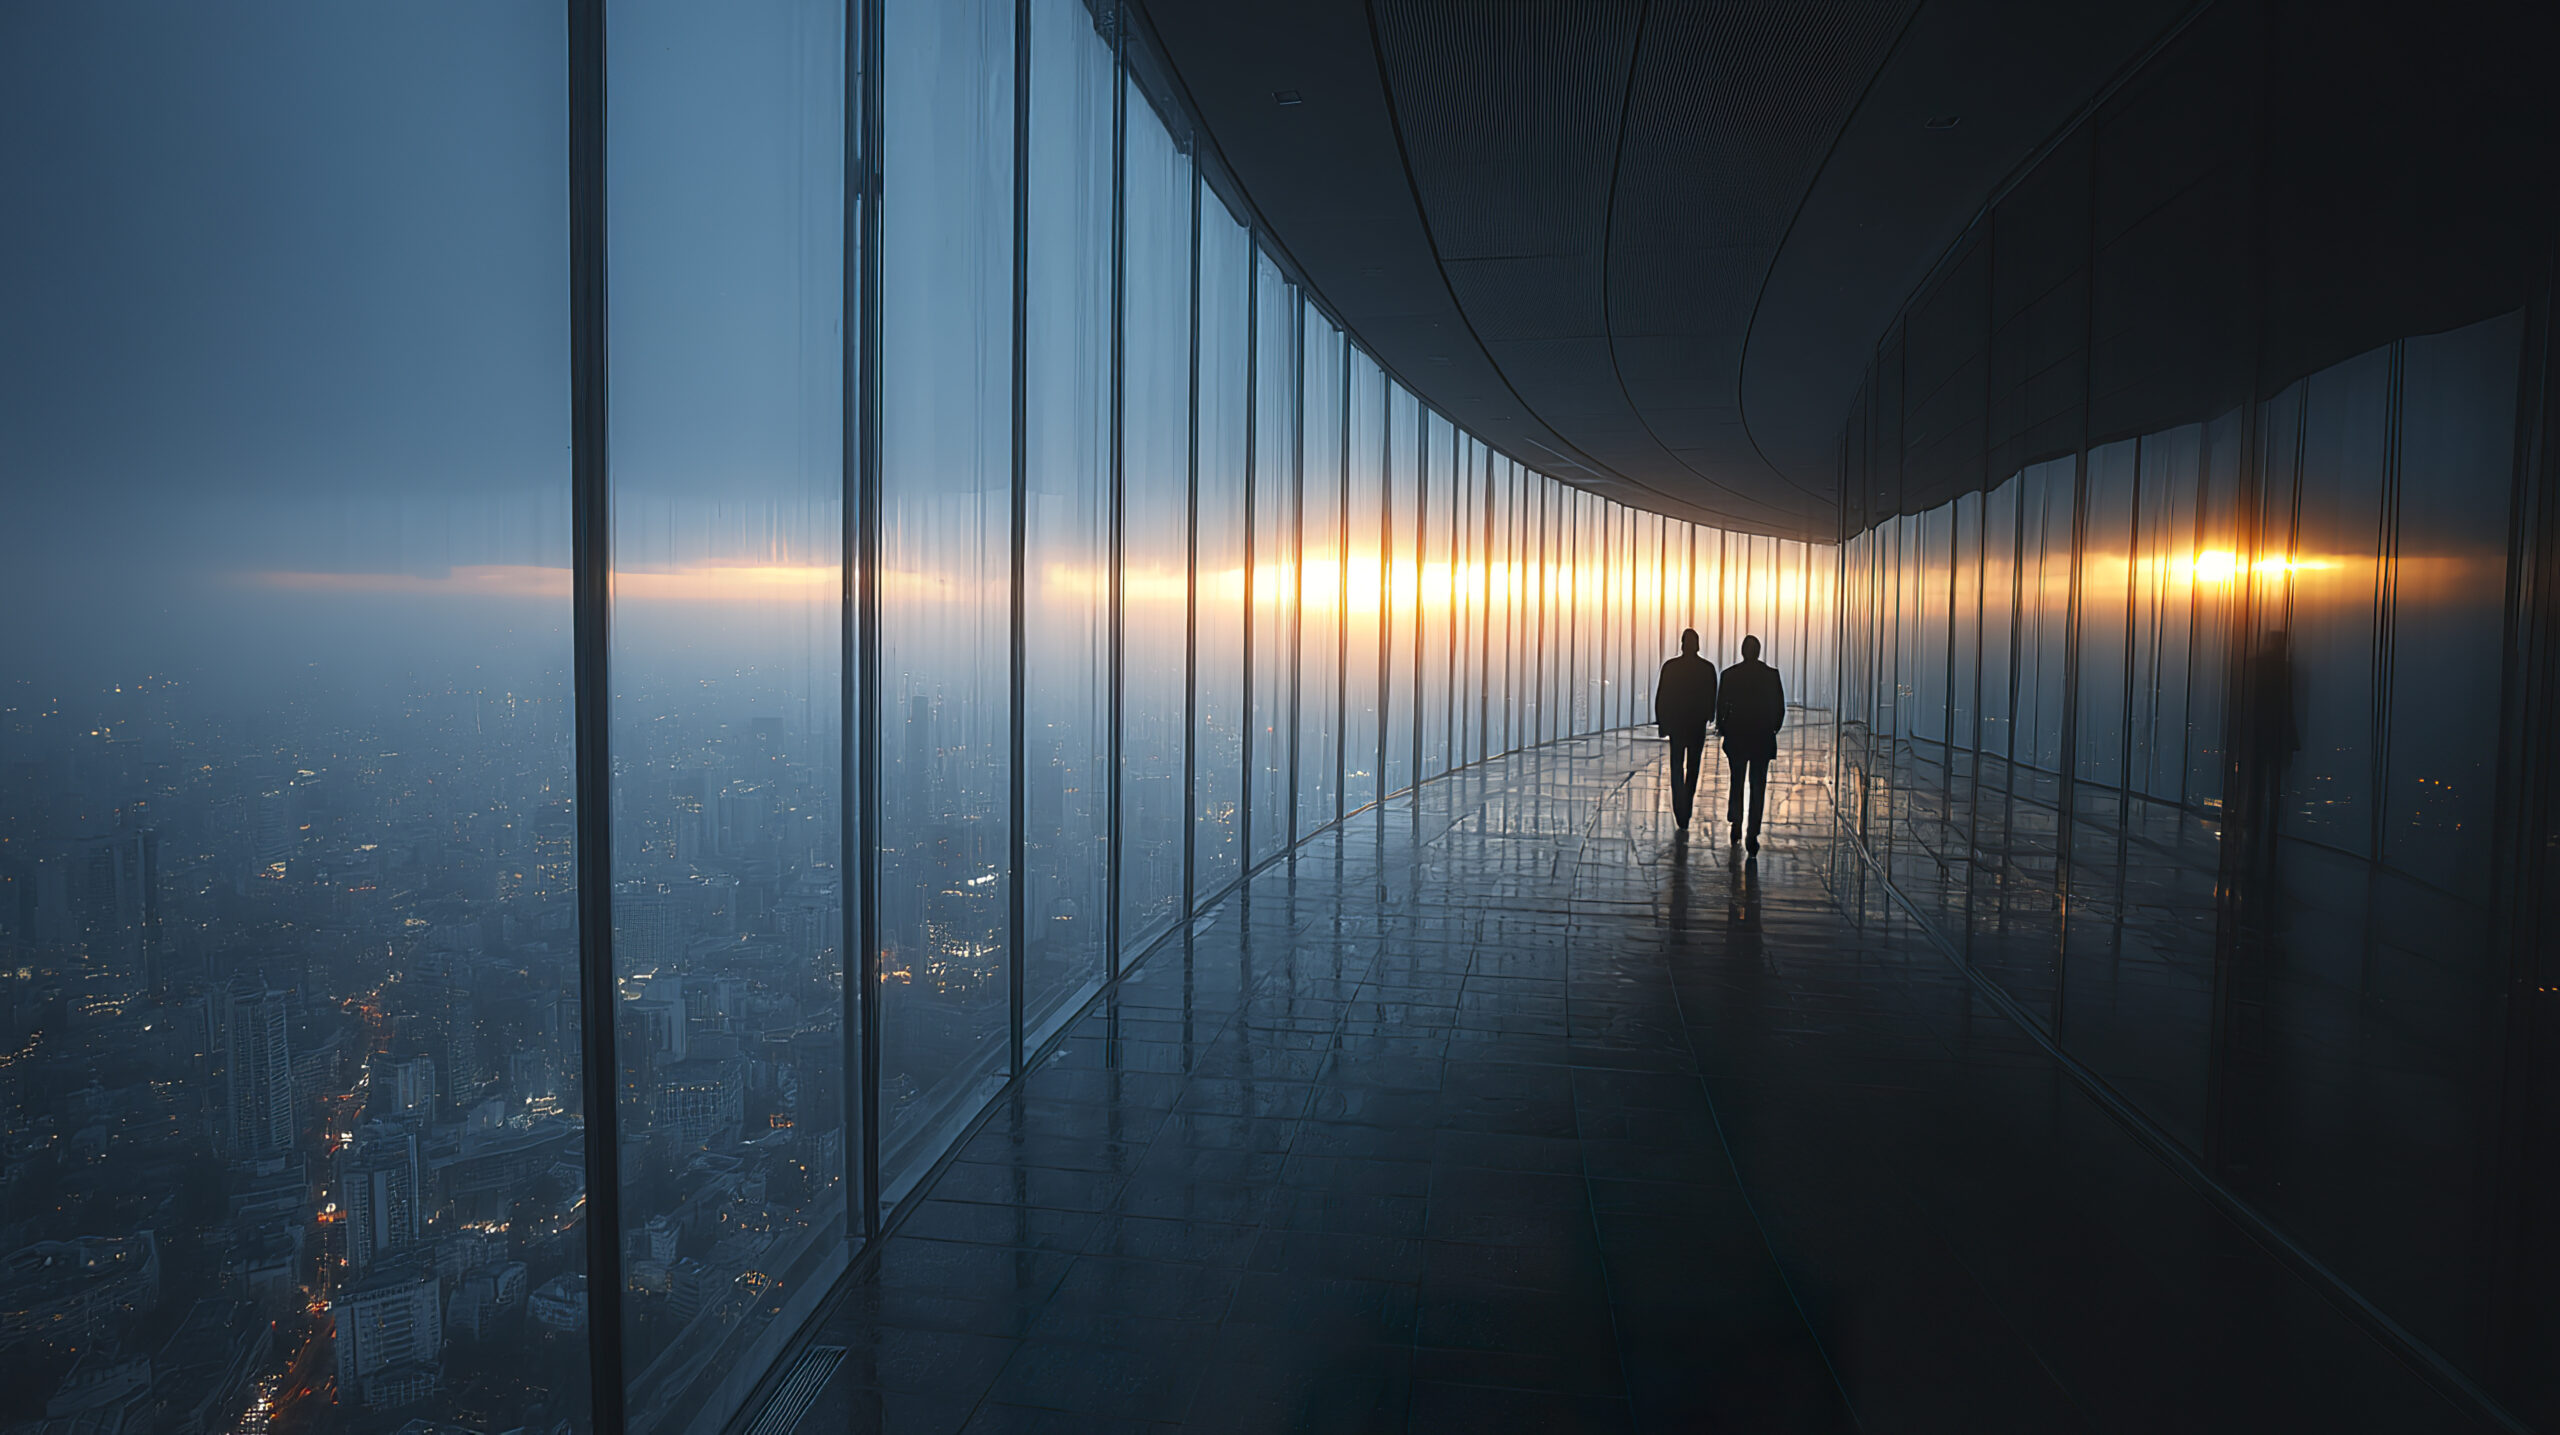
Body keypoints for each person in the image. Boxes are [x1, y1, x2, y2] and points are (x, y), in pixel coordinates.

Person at [1716, 634, 1785, 852]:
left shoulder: (1730, 675)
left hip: (1737, 737)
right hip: (1761, 738)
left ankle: (1736, 822)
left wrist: (1724, 729)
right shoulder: (1771, 676)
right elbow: (1779, 707)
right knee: (1758, 786)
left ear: (1742, 651)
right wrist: (1772, 728)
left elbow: (1721, 706)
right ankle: (1753, 832)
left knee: (1737, 781)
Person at [1653, 629, 1718, 831]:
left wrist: (1663, 723)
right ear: (1697, 645)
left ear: (1682, 644)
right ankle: (1686, 805)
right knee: (1693, 767)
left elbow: (1662, 696)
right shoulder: (1707, 668)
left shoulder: (1671, 667)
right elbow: (1712, 696)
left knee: (1676, 765)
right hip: (1696, 724)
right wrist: (1709, 717)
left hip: (1677, 724)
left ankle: (1680, 807)